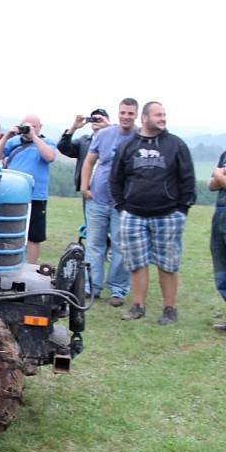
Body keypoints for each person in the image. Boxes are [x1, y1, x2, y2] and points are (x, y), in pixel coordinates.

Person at [110, 101, 196, 324]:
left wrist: (181, 210)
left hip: (168, 215)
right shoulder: (127, 146)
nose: (163, 118)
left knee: (168, 264)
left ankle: (170, 309)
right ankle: (138, 306)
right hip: (133, 215)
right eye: (158, 115)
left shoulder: (176, 145)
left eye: (164, 115)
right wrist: (122, 207)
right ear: (145, 118)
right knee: (136, 263)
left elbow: (187, 179)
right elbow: (116, 179)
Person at [78, 100, 137, 306]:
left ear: (136, 115)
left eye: (130, 113)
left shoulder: (139, 137)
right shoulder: (104, 135)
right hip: (97, 198)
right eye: (123, 112)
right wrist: (85, 187)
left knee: (121, 247)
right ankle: (90, 288)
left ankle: (118, 290)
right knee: (94, 244)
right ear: (118, 113)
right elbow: (89, 161)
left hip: (124, 203)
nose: (126, 116)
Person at [0, 115, 57, 264]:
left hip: (36, 196)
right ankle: (8, 262)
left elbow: (49, 157)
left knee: (34, 236)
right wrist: (7, 135)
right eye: (27, 126)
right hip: (12, 195)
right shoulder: (13, 142)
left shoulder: (46, 142)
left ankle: (30, 269)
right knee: (8, 232)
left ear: (40, 127)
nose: (30, 129)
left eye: (34, 126)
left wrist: (33, 136)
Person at [58, 108, 110, 200]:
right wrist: (74, 127)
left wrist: (109, 127)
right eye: (93, 118)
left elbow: (125, 140)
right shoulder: (84, 141)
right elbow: (63, 147)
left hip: (110, 190)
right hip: (89, 191)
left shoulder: (114, 140)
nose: (96, 120)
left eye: (100, 118)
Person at [208, 150, 226, 330]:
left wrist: (219, 173)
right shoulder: (225, 154)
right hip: (220, 213)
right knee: (222, 269)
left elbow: (219, 178)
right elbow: (212, 185)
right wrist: (219, 177)